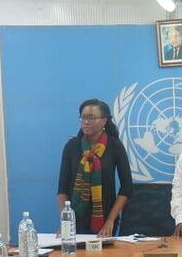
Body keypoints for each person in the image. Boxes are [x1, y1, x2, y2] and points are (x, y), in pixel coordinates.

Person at [57, 99, 134, 237]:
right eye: (83, 117)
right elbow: (63, 188)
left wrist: (110, 221)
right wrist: (65, 222)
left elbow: (127, 187)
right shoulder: (71, 147)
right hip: (75, 220)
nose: (86, 122)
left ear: (104, 121)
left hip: (105, 220)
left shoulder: (115, 146)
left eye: (91, 118)